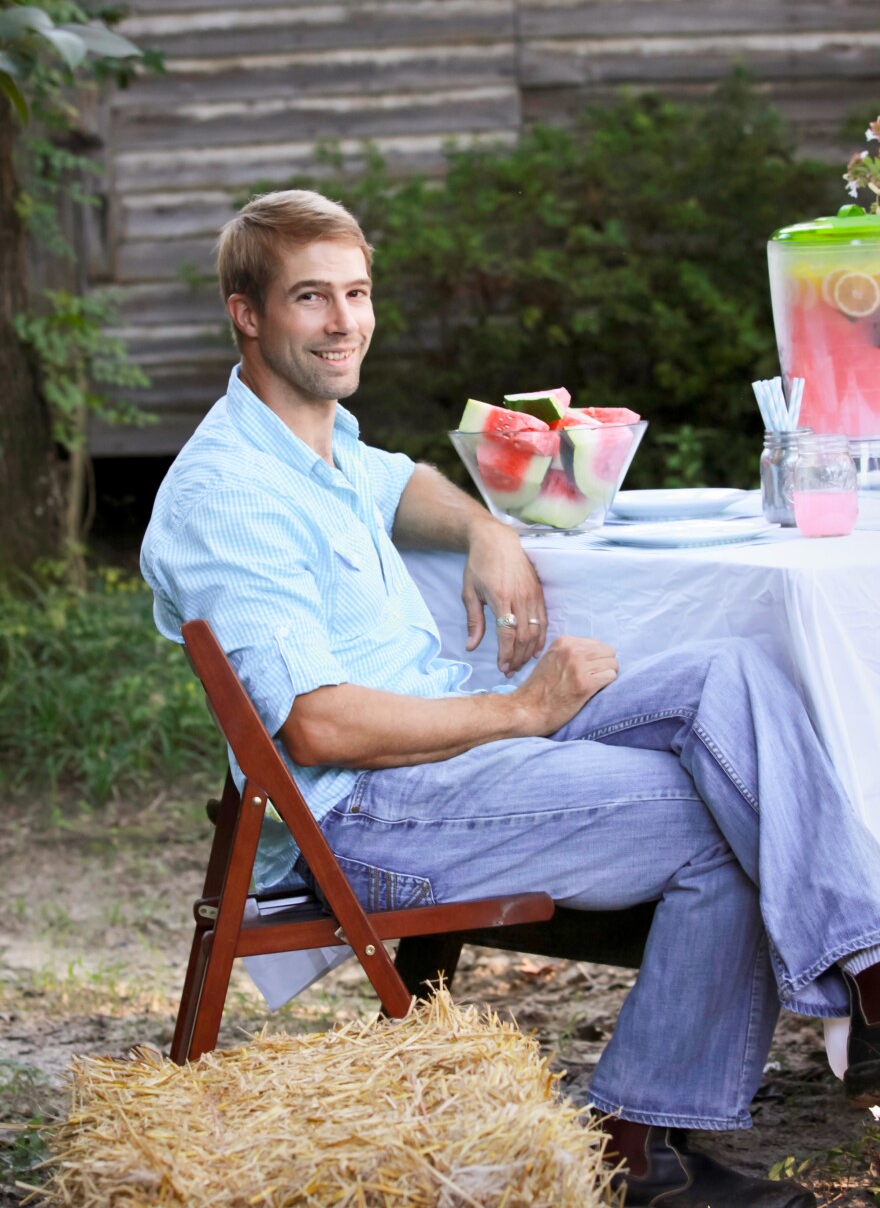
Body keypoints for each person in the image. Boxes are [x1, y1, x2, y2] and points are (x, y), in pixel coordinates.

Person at [141, 189, 880, 1208]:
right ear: (247, 313)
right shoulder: (232, 495)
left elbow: (399, 483)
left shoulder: (311, 441)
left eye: (355, 292)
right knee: (735, 805)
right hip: (372, 808)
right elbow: (318, 724)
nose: (343, 319)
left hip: (447, 749)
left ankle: (857, 967)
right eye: (310, 297)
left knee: (734, 677)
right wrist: (522, 709)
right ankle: (639, 1147)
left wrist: (489, 530)